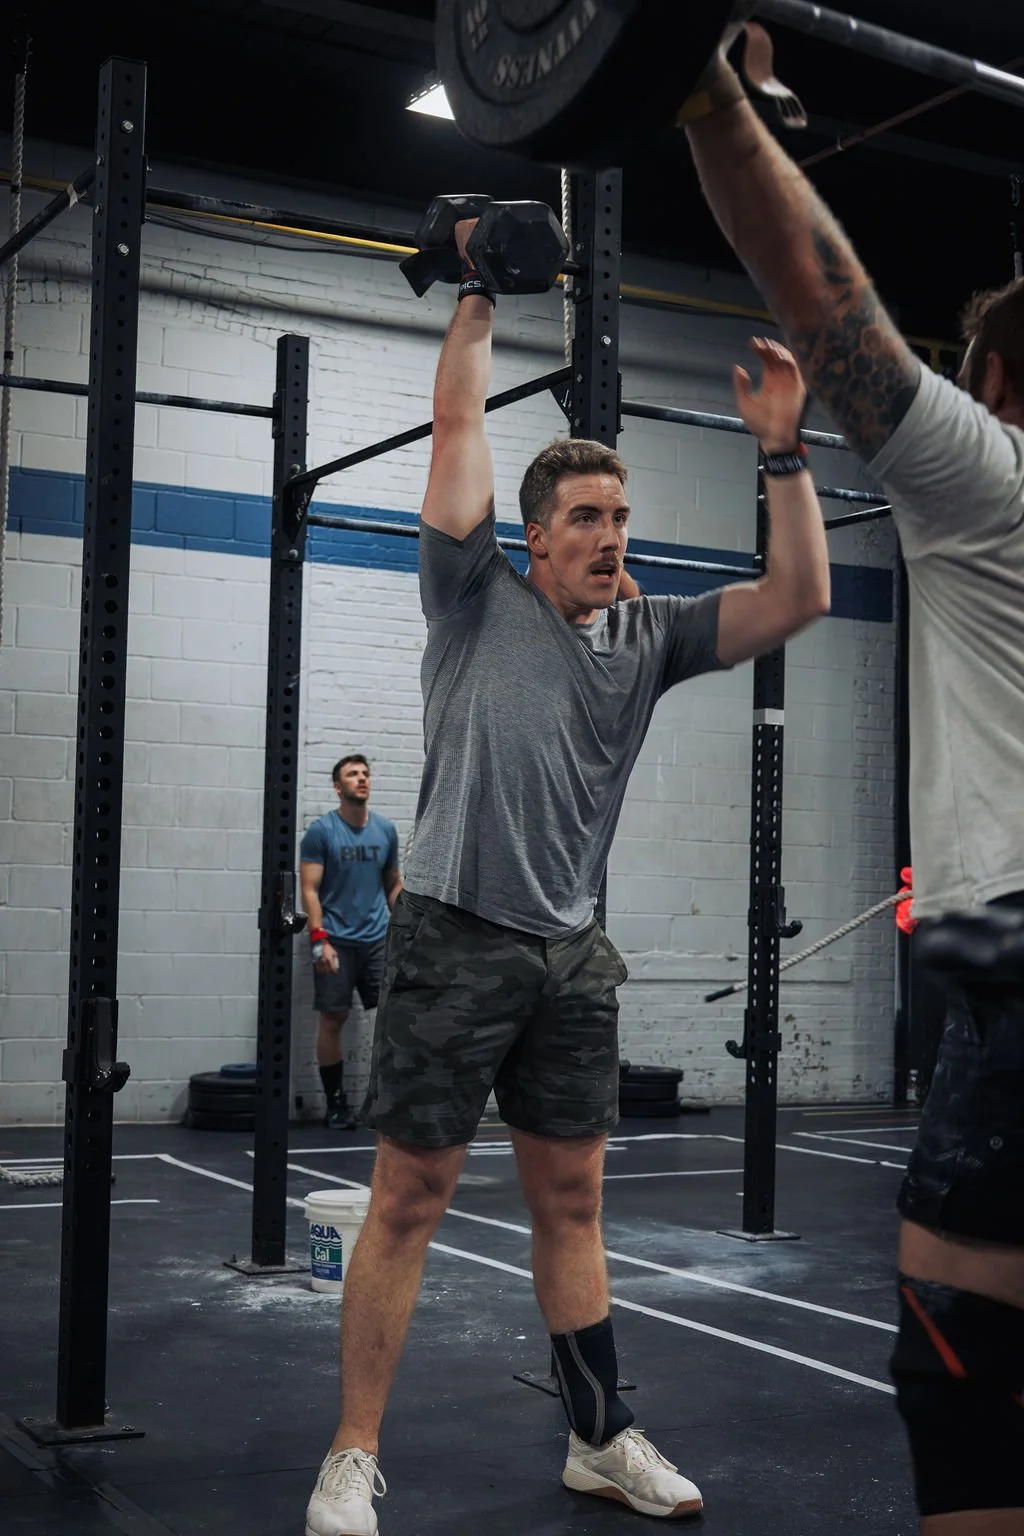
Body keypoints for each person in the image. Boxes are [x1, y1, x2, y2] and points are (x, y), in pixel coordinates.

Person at [303, 220, 831, 1536]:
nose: (609, 536)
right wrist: (477, 290)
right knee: (409, 1196)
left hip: (570, 954)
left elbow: (801, 596)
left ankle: (599, 1434)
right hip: (453, 940)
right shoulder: (469, 592)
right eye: (585, 518)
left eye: (621, 518)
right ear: (531, 540)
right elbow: (455, 437)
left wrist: (782, 449)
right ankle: (353, 1454)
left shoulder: (647, 635)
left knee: (575, 1197)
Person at [681, 35, 1024, 1536]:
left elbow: (829, 309)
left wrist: (695, 87)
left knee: (969, 1403)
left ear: (994, 380)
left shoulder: (998, 473)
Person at [299, 755, 402, 1130]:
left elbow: (392, 883)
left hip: (376, 940)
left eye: (365, 773)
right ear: (337, 787)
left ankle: (385, 1100)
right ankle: (336, 1103)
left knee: (393, 1018)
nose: (361, 779)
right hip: (336, 940)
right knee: (334, 1018)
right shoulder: (322, 831)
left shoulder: (386, 830)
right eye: (352, 774)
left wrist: (405, 923)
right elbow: (309, 889)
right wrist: (318, 940)